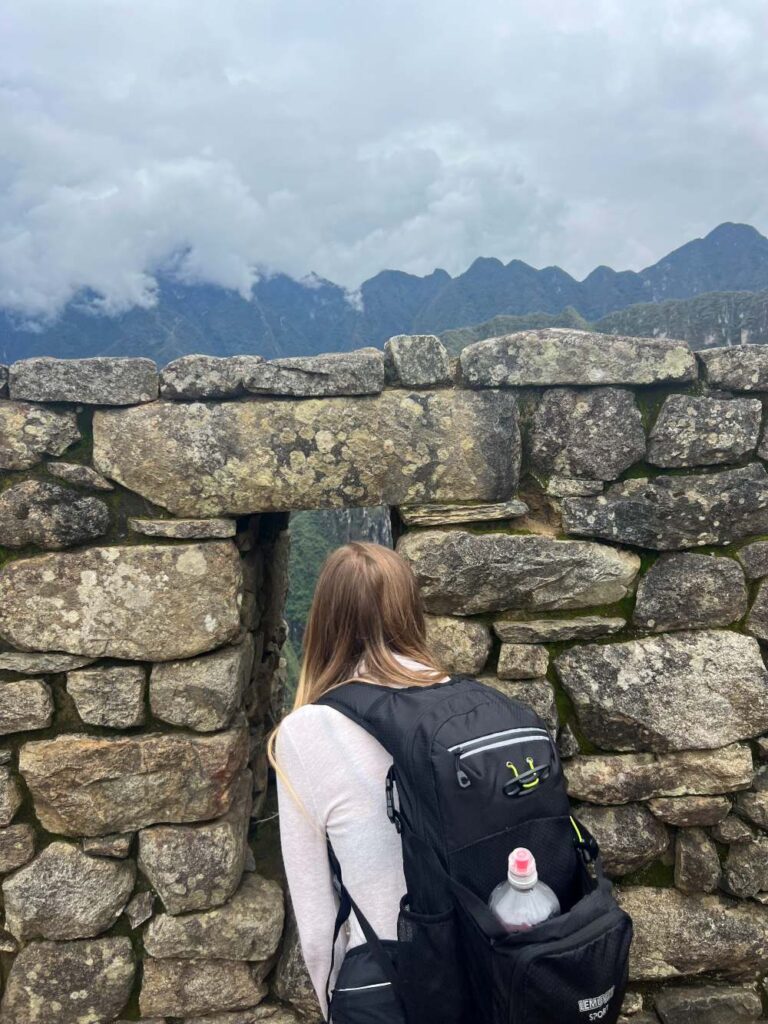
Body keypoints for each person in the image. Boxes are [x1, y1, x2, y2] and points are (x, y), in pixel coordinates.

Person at [267, 540, 451, 1021]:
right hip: (484, 960)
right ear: (411, 611)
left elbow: (316, 919)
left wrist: (334, 1004)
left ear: (325, 621)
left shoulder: (305, 733)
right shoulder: (463, 704)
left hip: (393, 973)